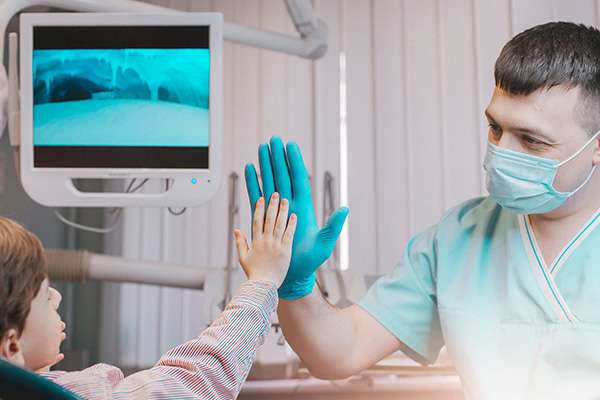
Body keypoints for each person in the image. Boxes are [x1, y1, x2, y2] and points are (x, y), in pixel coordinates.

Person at [244, 22, 600, 400]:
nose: (502, 153)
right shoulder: (459, 239)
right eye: (495, 129)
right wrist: (296, 285)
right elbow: (339, 352)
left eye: (531, 140)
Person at [0, 192, 296, 399]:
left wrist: (29, 373)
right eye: (43, 296)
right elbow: (194, 383)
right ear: (11, 346)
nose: (57, 297)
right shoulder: (77, 394)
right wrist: (262, 281)